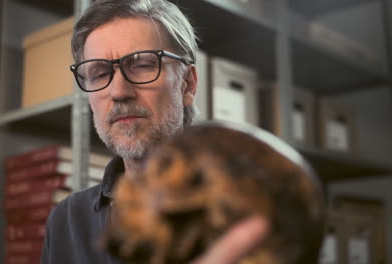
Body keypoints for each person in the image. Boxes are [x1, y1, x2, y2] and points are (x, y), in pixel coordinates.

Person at [41, 0, 266, 263]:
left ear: (188, 85)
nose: (119, 92)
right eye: (100, 73)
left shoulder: (248, 210)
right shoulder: (67, 220)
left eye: (143, 65)